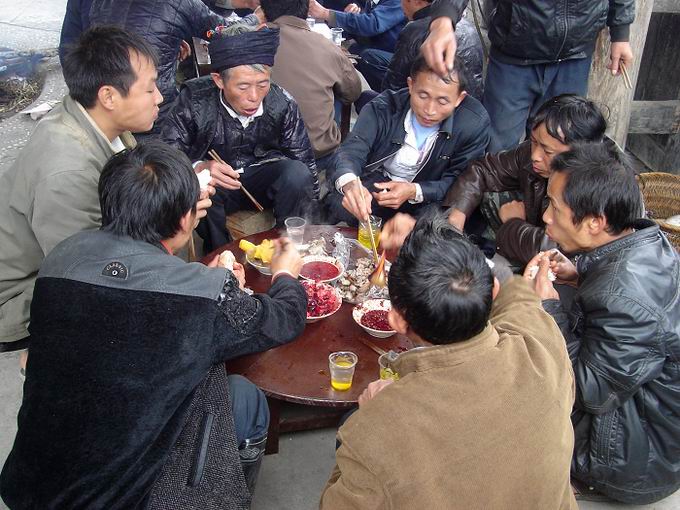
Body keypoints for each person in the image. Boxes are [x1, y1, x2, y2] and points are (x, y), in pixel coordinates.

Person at [0, 141, 307, 509]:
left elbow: (129, 301)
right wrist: (285, 274)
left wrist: (200, 281)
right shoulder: (201, 297)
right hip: (125, 499)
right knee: (245, 398)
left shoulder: (62, 259)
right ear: (185, 220)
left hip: (31, 485)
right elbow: (285, 319)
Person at [320, 214, 576, 509]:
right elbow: (515, 293)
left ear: (397, 321)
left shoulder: (378, 429)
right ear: (492, 290)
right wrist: (445, 252)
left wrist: (371, 416)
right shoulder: (543, 343)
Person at [0, 26, 178, 367]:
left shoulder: (94, 119)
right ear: (109, 96)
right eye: (149, 88)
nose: (159, 97)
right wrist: (173, 228)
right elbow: (87, 273)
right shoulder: (68, 173)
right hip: (16, 297)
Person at [524, 142, 680, 504]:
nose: (546, 216)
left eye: (555, 207)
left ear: (596, 222)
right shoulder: (646, 241)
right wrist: (580, 274)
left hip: (632, 460)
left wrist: (547, 306)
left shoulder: (625, 297)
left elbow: (591, 391)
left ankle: (578, 478)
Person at [162, 25, 319, 253]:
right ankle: (220, 256)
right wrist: (199, 167)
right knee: (202, 187)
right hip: (220, 186)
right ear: (219, 80)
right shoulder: (194, 101)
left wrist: (314, 214)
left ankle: (287, 249)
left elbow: (304, 160)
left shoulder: (282, 103)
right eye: (243, 86)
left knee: (297, 173)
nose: (254, 97)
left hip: (262, 179)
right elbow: (167, 154)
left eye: (263, 84)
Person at [420, 0, 635, 151]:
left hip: (575, 54)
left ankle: (544, 202)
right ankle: (495, 201)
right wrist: (444, 19)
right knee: (497, 145)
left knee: (562, 145)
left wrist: (621, 33)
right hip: (514, 52)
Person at [442, 94, 606, 267]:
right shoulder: (534, 151)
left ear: (578, 155)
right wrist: (457, 214)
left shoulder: (594, 187)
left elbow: (559, 252)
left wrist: (513, 223)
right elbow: (484, 170)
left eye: (548, 152)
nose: (535, 155)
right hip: (530, 230)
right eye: (533, 141)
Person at [325, 54, 489, 226]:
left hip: (430, 196)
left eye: (442, 101)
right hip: (382, 184)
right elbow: (351, 151)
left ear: (459, 99)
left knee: (435, 227)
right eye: (423, 96)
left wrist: (414, 190)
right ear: (411, 85)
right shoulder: (384, 107)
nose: (430, 110)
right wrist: (351, 185)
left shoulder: (473, 123)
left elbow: (460, 182)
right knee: (340, 202)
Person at [85, 0, 262, 136]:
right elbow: (225, 34)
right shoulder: (180, 3)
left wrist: (174, 37)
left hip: (105, 112)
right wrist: (256, 18)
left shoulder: (100, 3)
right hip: (153, 115)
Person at [262, 0, 362, 165]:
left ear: (263, 8)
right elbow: (353, 93)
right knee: (336, 89)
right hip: (318, 151)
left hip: (264, 152)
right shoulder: (327, 46)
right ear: (307, 7)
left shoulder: (251, 42)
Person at [381, 0, 483, 101]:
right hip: (470, 102)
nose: (400, 5)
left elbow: (394, 83)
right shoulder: (470, 29)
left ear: (417, 2)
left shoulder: (414, 30)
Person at [308, 0, 407, 91]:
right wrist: (355, 12)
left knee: (368, 57)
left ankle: (389, 96)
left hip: (396, 56)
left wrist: (326, 13)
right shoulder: (373, 2)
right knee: (350, 50)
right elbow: (366, 22)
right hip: (377, 46)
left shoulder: (397, 2)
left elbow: (372, 24)